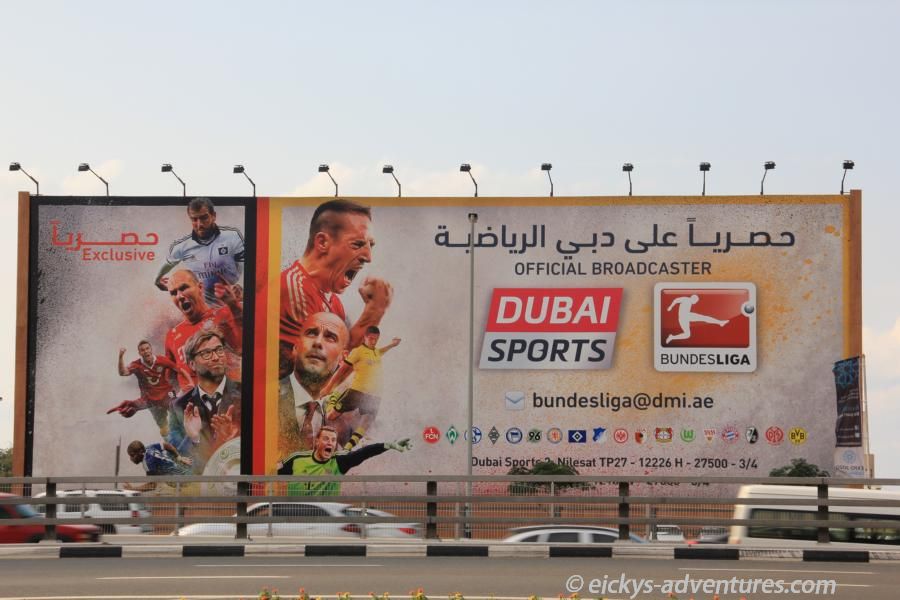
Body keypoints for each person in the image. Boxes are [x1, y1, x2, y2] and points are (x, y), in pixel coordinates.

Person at [279, 200, 393, 378]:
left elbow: (346, 358)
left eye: (371, 245)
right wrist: (374, 312)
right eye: (357, 244)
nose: (368, 257)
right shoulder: (294, 290)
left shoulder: (333, 303)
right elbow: (320, 375)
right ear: (322, 242)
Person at [277, 312, 349, 463]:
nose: (317, 342)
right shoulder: (262, 399)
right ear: (295, 347)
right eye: (311, 333)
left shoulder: (345, 422)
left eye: (330, 337)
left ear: (343, 359)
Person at [168, 328, 241, 473]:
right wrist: (194, 438)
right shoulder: (178, 406)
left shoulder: (248, 394)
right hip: (202, 489)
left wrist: (232, 440)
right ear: (192, 365)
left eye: (219, 350)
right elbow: (178, 466)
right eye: (206, 353)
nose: (216, 357)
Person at [321, 325, 400, 450]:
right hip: (357, 392)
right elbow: (342, 370)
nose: (373, 341)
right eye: (371, 338)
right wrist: (328, 387)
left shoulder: (375, 352)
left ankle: (347, 450)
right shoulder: (358, 351)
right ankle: (333, 398)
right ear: (365, 337)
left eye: (376, 339)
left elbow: (380, 351)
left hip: (374, 396)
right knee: (331, 416)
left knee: (367, 422)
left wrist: (392, 345)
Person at [154, 197, 245, 306]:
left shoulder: (232, 236)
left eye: (204, 218)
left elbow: (249, 267)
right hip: (209, 311)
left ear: (213, 216)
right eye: (194, 219)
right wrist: (157, 280)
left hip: (237, 302)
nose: (199, 224)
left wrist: (240, 286)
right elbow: (167, 264)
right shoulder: (182, 247)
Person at [277, 425, 411, 496]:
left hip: (325, 519)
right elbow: (271, 474)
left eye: (333, 440)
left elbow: (363, 453)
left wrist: (389, 445)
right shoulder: (297, 459)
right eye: (326, 439)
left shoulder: (339, 461)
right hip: (295, 516)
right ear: (317, 442)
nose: (330, 443)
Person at [165, 269, 242, 390]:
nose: (179, 296)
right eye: (173, 293)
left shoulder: (224, 315)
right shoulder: (172, 336)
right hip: (194, 405)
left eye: (184, 288)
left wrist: (234, 306)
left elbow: (243, 348)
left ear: (200, 287)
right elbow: (170, 377)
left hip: (229, 398)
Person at [107, 341, 192, 436]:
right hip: (150, 400)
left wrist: (190, 382)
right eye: (142, 350)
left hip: (167, 395)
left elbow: (180, 370)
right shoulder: (136, 365)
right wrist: (120, 356)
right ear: (139, 353)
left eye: (147, 348)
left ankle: (191, 437)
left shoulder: (162, 360)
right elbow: (123, 373)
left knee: (180, 415)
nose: (146, 351)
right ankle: (170, 441)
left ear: (151, 349)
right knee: (164, 429)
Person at [126, 439, 193, 476]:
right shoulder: (149, 448)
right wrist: (179, 457)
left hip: (180, 480)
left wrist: (132, 489)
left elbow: (152, 485)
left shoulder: (148, 463)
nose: (131, 459)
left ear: (140, 452)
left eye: (132, 455)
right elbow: (165, 444)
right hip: (183, 472)